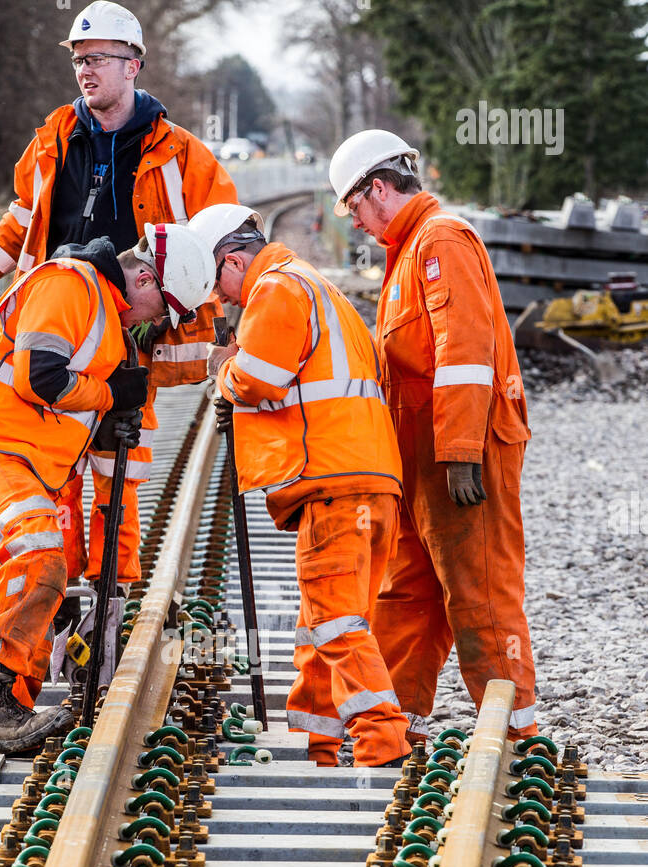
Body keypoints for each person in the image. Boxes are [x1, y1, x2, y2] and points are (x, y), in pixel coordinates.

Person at [0, 1, 237, 589]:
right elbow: (18, 227)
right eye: (80, 61)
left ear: (134, 64)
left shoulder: (185, 157)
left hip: (133, 329)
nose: (87, 71)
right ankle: (54, 598)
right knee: (50, 466)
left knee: (119, 469)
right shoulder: (52, 141)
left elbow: (219, 248)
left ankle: (114, 595)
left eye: (100, 60)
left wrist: (196, 332)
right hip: (57, 326)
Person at [0, 224, 215, 753]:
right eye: (161, 310)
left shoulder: (102, 311)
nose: (154, 324)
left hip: (22, 463)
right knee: (39, 559)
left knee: (29, 596)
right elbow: (42, 378)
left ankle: (10, 715)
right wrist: (108, 395)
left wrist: (110, 415)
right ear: (144, 278)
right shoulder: (70, 283)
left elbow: (65, 402)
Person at [329, 129, 537, 743]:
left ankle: (515, 737)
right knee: (409, 591)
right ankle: (395, 725)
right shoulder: (409, 250)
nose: (355, 223)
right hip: (423, 459)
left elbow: (465, 355)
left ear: (378, 189)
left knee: (480, 593)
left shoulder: (440, 240)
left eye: (354, 207)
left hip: (459, 457)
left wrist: (460, 451)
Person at [193, 204, 410, 769]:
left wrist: (224, 374)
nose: (222, 299)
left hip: (334, 481)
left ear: (234, 259)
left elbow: (259, 377)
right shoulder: (321, 289)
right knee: (325, 624)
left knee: (335, 623)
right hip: (371, 481)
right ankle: (321, 748)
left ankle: (382, 741)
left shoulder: (276, 288)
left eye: (216, 282)